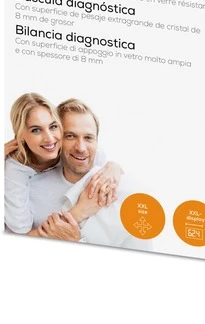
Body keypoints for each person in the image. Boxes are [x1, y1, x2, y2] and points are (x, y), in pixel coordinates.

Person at [32, 99, 152, 251]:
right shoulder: (33, 190)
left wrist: (77, 242)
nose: (81, 148)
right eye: (70, 136)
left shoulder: (127, 194)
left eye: (88, 138)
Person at [4, 93, 121, 235]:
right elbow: (20, 234)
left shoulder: (66, 149)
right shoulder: (15, 170)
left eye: (53, 126)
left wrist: (114, 168)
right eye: (36, 130)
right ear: (21, 135)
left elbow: (102, 161)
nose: (49, 138)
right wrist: (79, 211)